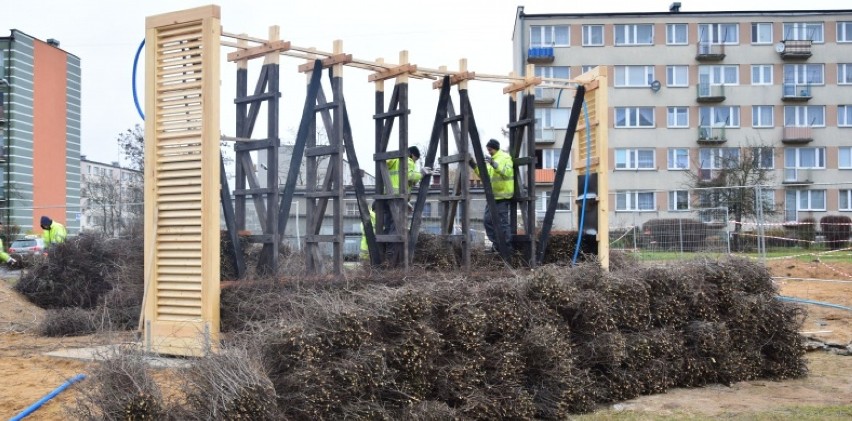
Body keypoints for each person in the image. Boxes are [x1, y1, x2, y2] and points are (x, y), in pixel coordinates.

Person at [471, 139, 514, 253]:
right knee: (487, 221)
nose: (488, 151)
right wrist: (474, 166)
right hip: (492, 197)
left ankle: (507, 248)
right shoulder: (490, 160)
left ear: (494, 148)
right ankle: (497, 245)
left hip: (503, 196)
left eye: (489, 149)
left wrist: (494, 164)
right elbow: (485, 176)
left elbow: (507, 172)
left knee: (503, 223)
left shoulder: (505, 157)